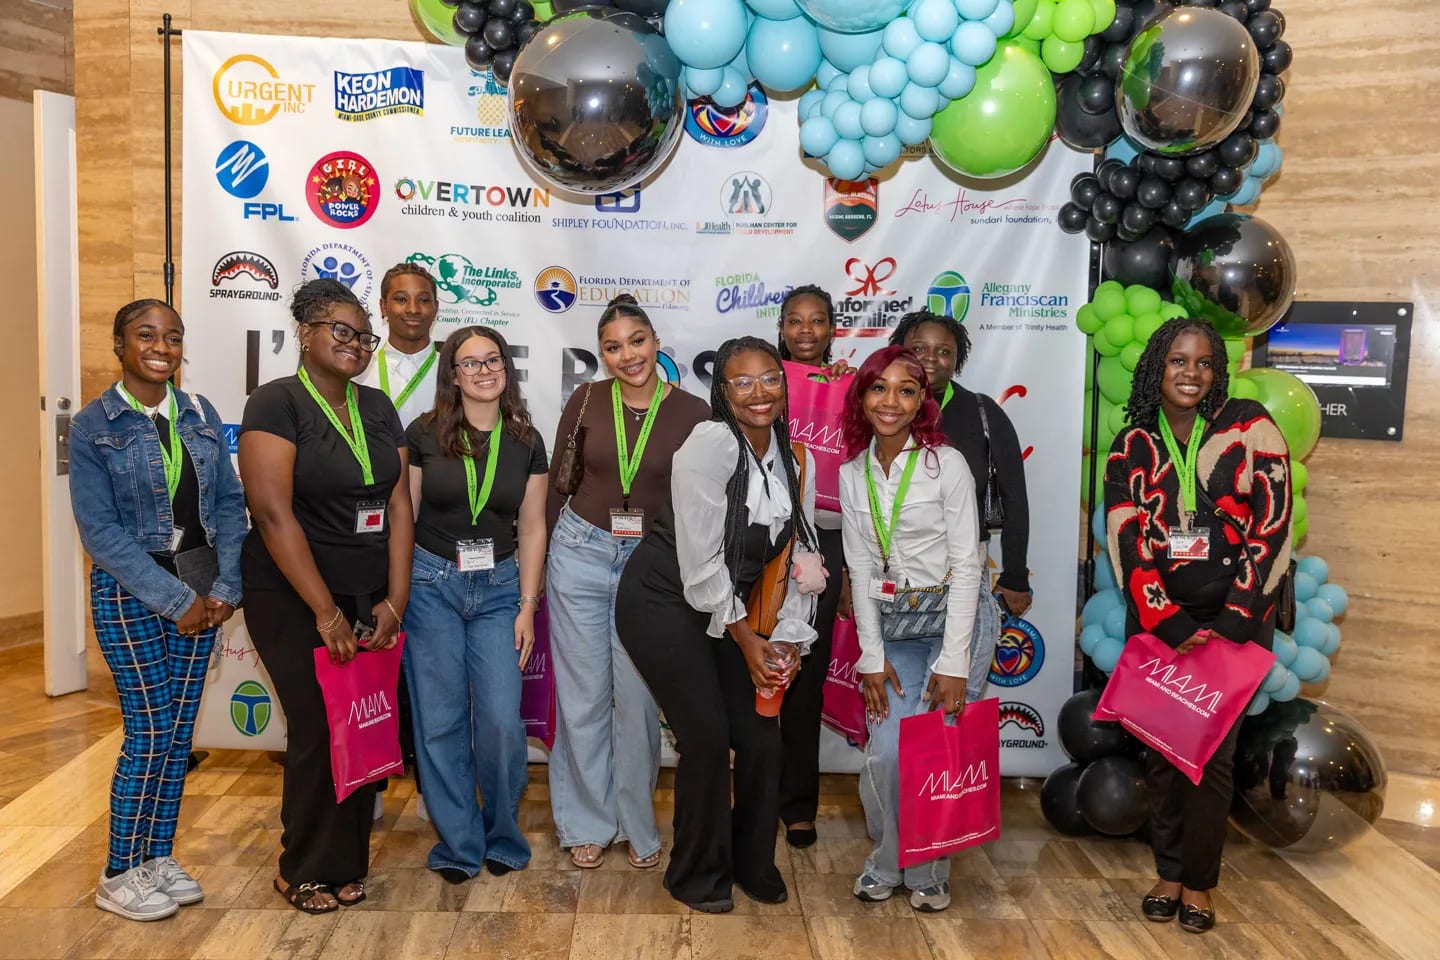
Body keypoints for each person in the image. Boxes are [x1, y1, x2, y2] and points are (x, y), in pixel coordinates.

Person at [617, 336, 823, 913]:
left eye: (770, 378)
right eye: (743, 382)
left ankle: (751, 862)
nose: (760, 393)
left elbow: (800, 557)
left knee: (760, 737)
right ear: (723, 392)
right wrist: (747, 639)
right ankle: (695, 873)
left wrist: (788, 637)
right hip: (663, 600)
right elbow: (700, 563)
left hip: (726, 610)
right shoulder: (709, 445)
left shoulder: (793, 457)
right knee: (706, 738)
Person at [1105, 318, 1292, 934]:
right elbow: (1125, 537)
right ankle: (1168, 872)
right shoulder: (1131, 443)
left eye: (1204, 362)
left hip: (1237, 618)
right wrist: (1167, 621)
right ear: (1156, 367)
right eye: (1178, 360)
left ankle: (1200, 884)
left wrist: (1236, 618)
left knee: (1212, 757)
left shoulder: (1250, 426)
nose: (1191, 372)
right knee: (1162, 753)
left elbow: (1273, 525)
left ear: (1218, 371)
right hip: (1160, 619)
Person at [238, 279, 414, 914]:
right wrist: (325, 611)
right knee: (317, 726)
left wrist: (396, 598)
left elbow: (399, 503)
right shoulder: (276, 402)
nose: (356, 344)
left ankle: (346, 863)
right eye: (342, 331)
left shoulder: (378, 406)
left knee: (358, 723)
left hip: (368, 591)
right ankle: (302, 868)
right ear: (305, 332)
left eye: (365, 336)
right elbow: (272, 512)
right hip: (292, 593)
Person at [70, 299, 248, 921]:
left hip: (202, 590)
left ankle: (157, 857)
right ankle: (120, 870)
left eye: (172, 337)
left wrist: (225, 587)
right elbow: (100, 533)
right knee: (148, 732)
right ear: (119, 344)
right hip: (132, 593)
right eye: (145, 335)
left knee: (177, 736)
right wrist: (177, 602)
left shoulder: (200, 414)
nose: (161, 347)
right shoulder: (93, 425)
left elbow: (228, 506)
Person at [545, 294, 710, 870]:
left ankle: (637, 823)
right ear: (603, 354)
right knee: (583, 697)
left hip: (651, 564)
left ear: (656, 342)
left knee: (637, 703)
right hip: (580, 553)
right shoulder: (587, 399)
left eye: (636, 341)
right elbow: (558, 487)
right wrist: (546, 561)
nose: (628, 355)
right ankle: (588, 822)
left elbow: (702, 505)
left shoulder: (694, 412)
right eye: (613, 347)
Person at [840, 345, 981, 914]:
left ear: (923, 400)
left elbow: (968, 566)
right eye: (879, 388)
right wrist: (870, 657)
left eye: (906, 390)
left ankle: (926, 869)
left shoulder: (947, 464)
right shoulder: (852, 474)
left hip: (955, 623)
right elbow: (860, 570)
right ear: (862, 397)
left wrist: (955, 663)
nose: (890, 402)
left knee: (935, 752)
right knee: (885, 754)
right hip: (894, 625)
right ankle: (889, 856)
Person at [404, 326, 548, 882]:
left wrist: (528, 605)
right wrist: (397, 594)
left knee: (500, 722)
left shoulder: (526, 440)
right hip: (431, 585)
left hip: (500, 589)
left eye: (493, 360)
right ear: (453, 374)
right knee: (440, 721)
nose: (483, 371)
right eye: (470, 363)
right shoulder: (423, 433)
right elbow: (404, 517)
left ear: (506, 369)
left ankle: (502, 835)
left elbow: (532, 527)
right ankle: (459, 844)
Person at [890, 310, 1030, 702]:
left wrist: (1015, 575)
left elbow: (1015, 496)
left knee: (949, 704)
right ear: (900, 351)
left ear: (958, 359)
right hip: (896, 574)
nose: (931, 358)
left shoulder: (982, 412)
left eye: (944, 351)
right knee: (898, 706)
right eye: (919, 348)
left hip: (962, 572)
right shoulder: (880, 408)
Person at [355, 262, 440, 818]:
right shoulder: (356, 365)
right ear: (383, 306)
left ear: (436, 307)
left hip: (435, 533)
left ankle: (434, 786)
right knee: (370, 665)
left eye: (423, 299)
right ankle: (372, 784)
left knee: (430, 672)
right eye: (400, 299)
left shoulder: (454, 370)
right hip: (365, 532)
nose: (412, 309)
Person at [773, 284, 851, 848]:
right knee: (751, 669)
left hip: (828, 542)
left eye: (817, 320)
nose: (805, 330)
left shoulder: (851, 387)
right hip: (761, 540)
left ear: (831, 329)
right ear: (781, 328)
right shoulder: (760, 378)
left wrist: (848, 386)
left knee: (806, 676)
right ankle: (753, 795)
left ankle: (798, 805)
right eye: (795, 320)